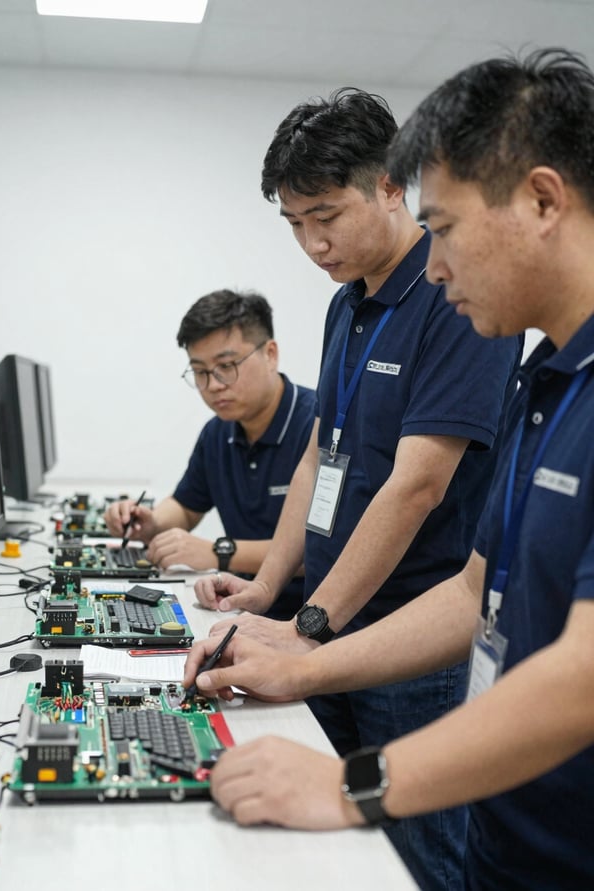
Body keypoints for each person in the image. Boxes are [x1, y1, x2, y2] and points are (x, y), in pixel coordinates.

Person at [185, 47, 594, 890]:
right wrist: (298, 655)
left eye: (445, 228)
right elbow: (472, 592)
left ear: (542, 200)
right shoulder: (546, 380)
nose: (435, 266)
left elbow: (583, 674)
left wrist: (350, 777)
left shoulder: (478, 332)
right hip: (507, 831)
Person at [104, 288, 315, 620]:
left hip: (308, 618)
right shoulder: (218, 432)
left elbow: (326, 551)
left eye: (226, 366)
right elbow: (186, 508)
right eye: (200, 372)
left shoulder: (317, 426)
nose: (214, 384)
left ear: (270, 354)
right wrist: (150, 522)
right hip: (240, 607)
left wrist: (219, 552)